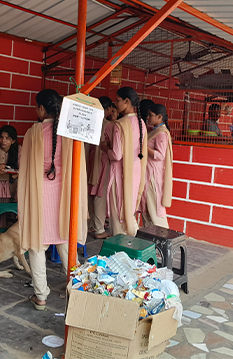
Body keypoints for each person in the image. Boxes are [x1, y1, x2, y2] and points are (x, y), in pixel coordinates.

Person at [18, 89, 87, 311]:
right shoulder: (70, 132)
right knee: (66, 240)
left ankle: (41, 296)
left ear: (41, 108)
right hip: (65, 196)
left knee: (37, 245)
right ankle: (78, 290)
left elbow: (25, 168)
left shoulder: (33, 133)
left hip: (40, 196)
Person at [103, 87, 147, 236]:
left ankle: (121, 243)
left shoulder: (120, 124)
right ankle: (133, 239)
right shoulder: (141, 123)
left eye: (117, 100)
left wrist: (105, 148)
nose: (115, 104)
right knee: (128, 210)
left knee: (118, 213)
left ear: (127, 101)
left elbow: (116, 155)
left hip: (120, 173)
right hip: (135, 171)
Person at [141, 104, 173, 228]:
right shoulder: (155, 129)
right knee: (147, 208)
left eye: (151, 115)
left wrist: (144, 147)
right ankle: (149, 235)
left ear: (159, 117)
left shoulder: (161, 133)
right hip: (148, 174)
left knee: (155, 209)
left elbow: (160, 155)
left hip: (153, 176)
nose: (148, 117)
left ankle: (163, 234)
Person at [88, 96, 115, 239]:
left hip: (90, 159)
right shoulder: (108, 125)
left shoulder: (90, 121)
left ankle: (90, 224)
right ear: (108, 108)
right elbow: (113, 144)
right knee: (100, 194)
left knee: (89, 192)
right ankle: (99, 229)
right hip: (102, 161)